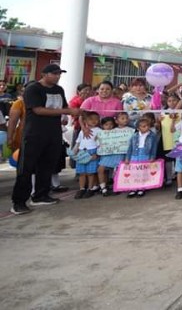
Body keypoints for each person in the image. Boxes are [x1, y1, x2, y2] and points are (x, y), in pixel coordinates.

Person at [10, 64, 80, 215]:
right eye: (54, 74)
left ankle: (41, 195)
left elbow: (64, 106)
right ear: (44, 74)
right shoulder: (33, 89)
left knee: (47, 165)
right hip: (34, 133)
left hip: (53, 133)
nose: (57, 76)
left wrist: (65, 115)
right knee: (26, 168)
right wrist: (67, 111)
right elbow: (38, 109)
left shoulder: (58, 90)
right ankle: (19, 201)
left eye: (59, 74)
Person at [97, 114, 134, 196]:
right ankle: (103, 188)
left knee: (117, 171)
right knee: (100, 169)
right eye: (122, 118)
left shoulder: (131, 130)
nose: (125, 120)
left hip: (121, 153)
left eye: (127, 118)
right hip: (108, 153)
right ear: (116, 121)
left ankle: (116, 187)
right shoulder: (111, 131)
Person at [124, 115, 159, 198]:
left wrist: (152, 157)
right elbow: (130, 147)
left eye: (146, 126)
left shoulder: (152, 135)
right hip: (135, 154)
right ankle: (133, 188)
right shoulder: (134, 135)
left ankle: (141, 188)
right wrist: (127, 158)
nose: (144, 128)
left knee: (143, 172)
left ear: (149, 126)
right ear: (138, 127)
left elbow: (154, 147)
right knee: (134, 172)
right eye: (142, 126)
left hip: (145, 154)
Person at [73, 111, 101, 199]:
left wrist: (97, 154)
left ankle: (90, 188)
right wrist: (74, 151)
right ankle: (81, 189)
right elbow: (78, 142)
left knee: (91, 173)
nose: (94, 121)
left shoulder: (99, 131)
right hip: (82, 152)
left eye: (96, 119)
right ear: (85, 121)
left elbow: (101, 144)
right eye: (91, 119)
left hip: (92, 152)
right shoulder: (82, 131)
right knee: (82, 173)